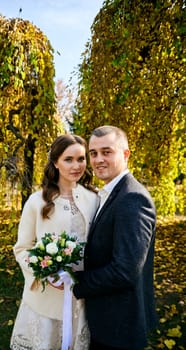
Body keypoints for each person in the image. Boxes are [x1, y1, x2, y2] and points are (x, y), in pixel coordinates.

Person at [73, 125, 158, 350]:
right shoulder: (112, 193)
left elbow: (125, 271)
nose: (98, 159)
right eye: (93, 153)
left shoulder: (132, 198)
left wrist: (75, 282)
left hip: (118, 327)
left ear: (126, 154)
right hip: (107, 321)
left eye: (106, 152)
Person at [10, 134, 98, 350]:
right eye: (68, 159)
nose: (76, 166)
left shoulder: (94, 198)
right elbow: (22, 248)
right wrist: (45, 274)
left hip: (82, 297)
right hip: (45, 299)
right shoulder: (37, 201)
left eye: (81, 158)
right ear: (56, 162)